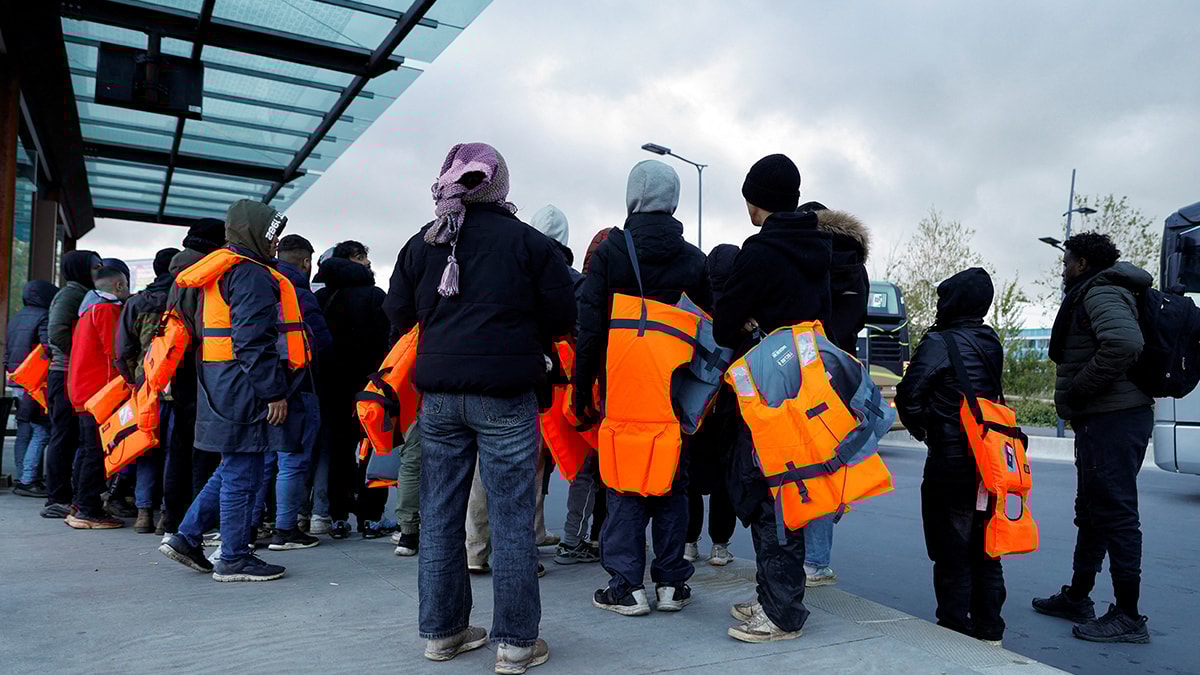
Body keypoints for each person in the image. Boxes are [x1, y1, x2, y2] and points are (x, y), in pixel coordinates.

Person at [384, 142, 574, 672]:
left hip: (439, 397)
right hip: (507, 395)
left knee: (441, 514)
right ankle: (515, 643)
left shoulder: (422, 243)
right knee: (512, 518)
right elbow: (562, 316)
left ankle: (443, 633)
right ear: (501, 184)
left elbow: (397, 313)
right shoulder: (531, 244)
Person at [576, 160, 711, 617]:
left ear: (633, 195)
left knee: (624, 483)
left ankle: (626, 586)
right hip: (674, 390)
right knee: (673, 482)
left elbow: (590, 328)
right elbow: (708, 332)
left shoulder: (612, 251)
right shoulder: (694, 259)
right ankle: (672, 583)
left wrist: (581, 393)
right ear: (673, 199)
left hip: (624, 388)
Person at [712, 153, 831, 642]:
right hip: (804, 386)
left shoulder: (759, 253)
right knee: (788, 487)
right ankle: (773, 594)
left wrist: (746, 320)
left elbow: (723, 324)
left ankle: (781, 612)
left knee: (767, 494)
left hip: (764, 391)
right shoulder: (821, 250)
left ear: (755, 199)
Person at [159, 199, 304, 582]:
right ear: (254, 232)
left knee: (235, 465)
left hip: (220, 379)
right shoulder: (251, 274)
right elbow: (252, 340)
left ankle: (187, 538)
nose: (274, 244)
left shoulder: (221, 269)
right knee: (244, 472)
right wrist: (274, 392)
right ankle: (234, 557)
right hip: (245, 385)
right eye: (270, 236)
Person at [1032, 232, 1153, 644]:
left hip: (1115, 417)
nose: (1063, 268)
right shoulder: (1096, 290)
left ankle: (1129, 616)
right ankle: (1079, 596)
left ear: (1082, 263)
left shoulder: (1101, 292)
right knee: (1093, 508)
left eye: (1066, 261)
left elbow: (1123, 343)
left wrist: (1080, 388)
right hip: (1105, 417)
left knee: (1116, 513)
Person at [895, 267, 1007, 646]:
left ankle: (954, 630)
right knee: (985, 546)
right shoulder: (991, 341)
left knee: (951, 548)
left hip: (951, 462)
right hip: (988, 461)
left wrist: (929, 431)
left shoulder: (939, 342)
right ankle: (991, 629)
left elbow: (909, 396)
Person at [798, 202, 872, 587]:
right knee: (829, 462)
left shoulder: (808, 258)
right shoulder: (856, 267)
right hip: (842, 373)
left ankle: (803, 555)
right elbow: (856, 320)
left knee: (798, 465)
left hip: (803, 369)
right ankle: (818, 560)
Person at [252, 233, 331, 551]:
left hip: (262, 384)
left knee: (265, 459)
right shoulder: (299, 293)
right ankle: (286, 529)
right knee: (293, 459)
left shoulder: (258, 283)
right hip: (297, 385)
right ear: (307, 261)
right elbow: (321, 343)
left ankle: (253, 524)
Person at [313, 239, 392, 539]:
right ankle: (371, 518)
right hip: (369, 386)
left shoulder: (322, 297)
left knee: (337, 450)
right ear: (352, 260)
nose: (368, 263)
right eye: (362, 257)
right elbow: (388, 342)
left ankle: (337, 517)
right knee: (372, 446)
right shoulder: (374, 296)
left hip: (330, 386)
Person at [554, 225, 616, 566]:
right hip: (596, 390)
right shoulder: (602, 290)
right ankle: (574, 540)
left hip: (573, 389)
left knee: (586, 467)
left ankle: (582, 538)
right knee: (594, 469)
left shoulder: (577, 285)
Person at [160, 220, 225, 537]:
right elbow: (206, 327)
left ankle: (172, 519)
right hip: (203, 368)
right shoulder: (205, 272)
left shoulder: (179, 271)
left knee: (180, 447)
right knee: (205, 449)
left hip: (179, 369)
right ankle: (202, 525)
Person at [116, 247, 180, 534]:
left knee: (145, 450)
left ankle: (143, 514)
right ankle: (167, 515)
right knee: (173, 452)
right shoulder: (183, 298)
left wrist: (135, 379)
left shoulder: (136, 302)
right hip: (178, 387)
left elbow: (122, 350)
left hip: (146, 388)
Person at [683, 244, 739, 568]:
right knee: (725, 477)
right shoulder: (739, 310)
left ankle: (689, 543)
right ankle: (720, 546)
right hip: (729, 405)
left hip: (696, 404)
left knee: (691, 474)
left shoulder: (694, 310)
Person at [65, 265, 130, 529]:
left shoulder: (87, 310)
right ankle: (88, 510)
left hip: (83, 392)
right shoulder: (106, 310)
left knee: (86, 450)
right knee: (95, 452)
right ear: (118, 286)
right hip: (100, 394)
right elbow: (116, 352)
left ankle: (80, 505)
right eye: (125, 285)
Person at [40, 250, 102, 519]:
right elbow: (56, 332)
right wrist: (81, 354)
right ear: (80, 268)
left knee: (70, 436)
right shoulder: (71, 294)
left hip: (70, 374)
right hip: (64, 374)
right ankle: (57, 497)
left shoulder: (80, 292)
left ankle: (68, 495)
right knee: (63, 436)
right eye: (95, 266)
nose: (99, 271)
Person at [4, 279, 58, 497]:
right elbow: (48, 348)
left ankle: (22, 476)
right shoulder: (43, 316)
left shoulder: (16, 317)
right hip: (35, 382)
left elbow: (8, 350)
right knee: (41, 429)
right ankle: (29, 480)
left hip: (17, 380)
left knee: (24, 429)